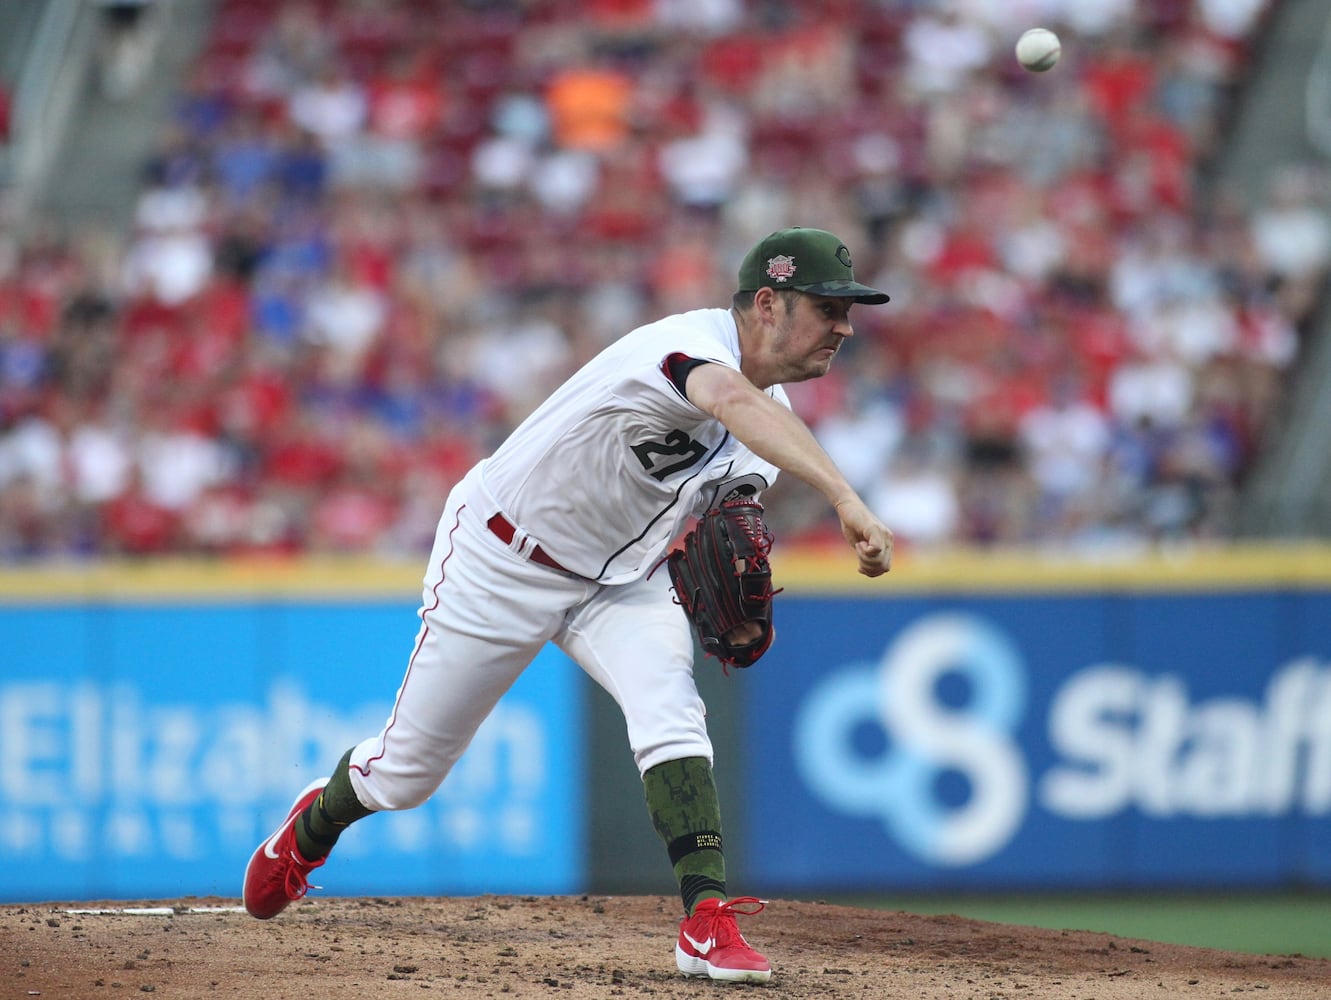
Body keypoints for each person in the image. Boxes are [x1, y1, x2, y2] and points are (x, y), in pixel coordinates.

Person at [241, 226, 896, 983]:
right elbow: (723, 397)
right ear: (767, 304)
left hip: (619, 580)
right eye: (828, 308)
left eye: (847, 311)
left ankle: (705, 920)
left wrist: (738, 583)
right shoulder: (684, 345)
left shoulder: (771, 424)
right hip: (501, 556)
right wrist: (844, 496)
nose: (844, 327)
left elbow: (735, 502)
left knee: (671, 709)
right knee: (406, 774)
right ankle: (313, 825)